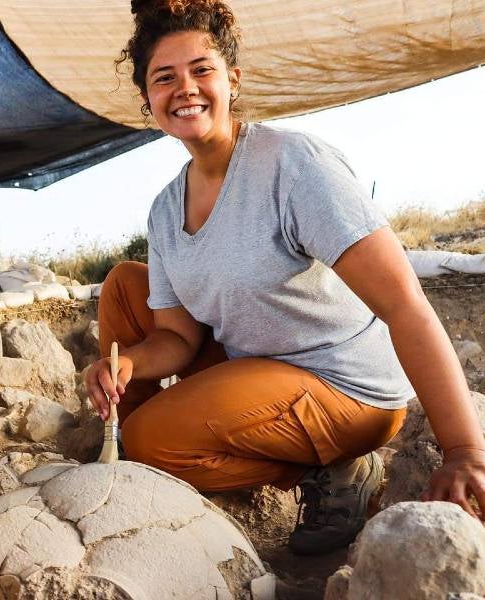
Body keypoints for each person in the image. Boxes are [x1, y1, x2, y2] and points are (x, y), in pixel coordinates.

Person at [85, 0, 485, 555]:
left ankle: (334, 473)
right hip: (258, 369)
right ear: (148, 99)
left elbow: (404, 304)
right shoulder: (164, 210)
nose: (185, 88)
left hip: (344, 386)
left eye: (202, 70)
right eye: (164, 78)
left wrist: (466, 450)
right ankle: (126, 454)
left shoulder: (293, 167)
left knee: (155, 440)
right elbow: (175, 338)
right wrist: (128, 361)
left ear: (233, 80)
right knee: (126, 283)